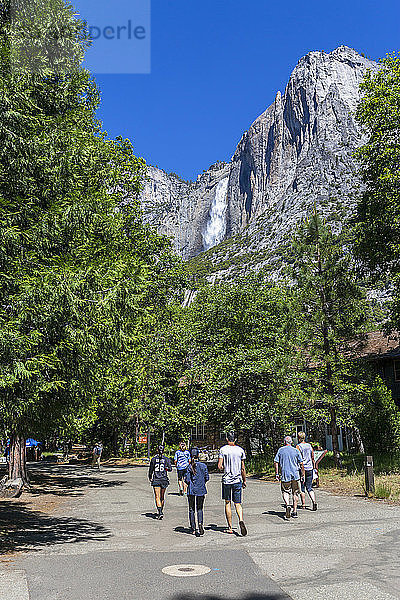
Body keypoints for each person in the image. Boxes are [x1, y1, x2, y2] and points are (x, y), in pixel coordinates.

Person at [218, 432, 247, 536]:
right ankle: (241, 519)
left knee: (227, 502)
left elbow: (219, 466)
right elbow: (242, 468)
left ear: (227, 439)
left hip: (227, 480)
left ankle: (230, 527)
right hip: (237, 479)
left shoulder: (223, 450)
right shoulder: (240, 450)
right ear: (235, 439)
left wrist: (224, 468)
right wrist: (244, 480)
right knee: (238, 503)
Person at [274, 436, 305, 520]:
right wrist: (302, 474)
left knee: (285, 491)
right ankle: (294, 511)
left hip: (285, 474)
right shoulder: (296, 450)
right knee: (295, 493)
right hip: (295, 475)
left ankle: (287, 505)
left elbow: (276, 462)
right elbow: (301, 463)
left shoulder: (281, 450)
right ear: (291, 442)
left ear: (284, 442)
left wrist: (277, 474)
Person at [184, 447, 209, 536]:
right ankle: (200, 523)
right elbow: (207, 478)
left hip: (191, 490)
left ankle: (193, 528)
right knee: (200, 508)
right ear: (198, 455)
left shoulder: (189, 467)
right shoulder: (203, 466)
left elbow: (186, 480)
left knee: (191, 509)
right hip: (201, 489)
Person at [148, 444, 172, 519]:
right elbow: (170, 469)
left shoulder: (154, 459)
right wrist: (166, 469)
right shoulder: (166, 459)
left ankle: (160, 511)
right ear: (164, 450)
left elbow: (151, 469)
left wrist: (150, 477)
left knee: (157, 496)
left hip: (156, 479)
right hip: (164, 479)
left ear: (157, 450)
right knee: (162, 496)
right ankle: (161, 510)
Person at [296, 431, 317, 510]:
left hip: (302, 468)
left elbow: (298, 458)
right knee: (309, 487)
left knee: (302, 487)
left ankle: (303, 504)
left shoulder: (298, 447)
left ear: (299, 438)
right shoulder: (309, 446)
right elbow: (312, 457)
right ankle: (314, 501)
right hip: (310, 467)